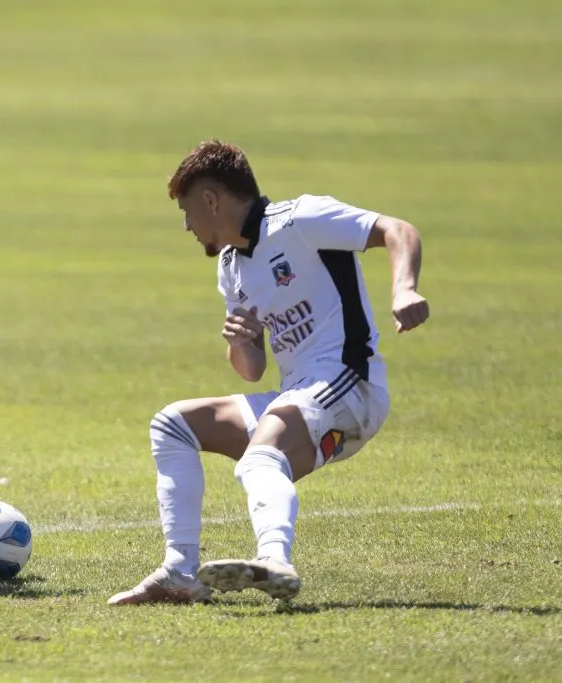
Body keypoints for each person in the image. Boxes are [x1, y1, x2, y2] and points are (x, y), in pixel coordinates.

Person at [108, 140, 429, 605]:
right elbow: (252, 371)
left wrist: (404, 290)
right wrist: (241, 343)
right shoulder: (230, 265)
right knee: (173, 424)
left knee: (260, 456)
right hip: (298, 394)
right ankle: (180, 572)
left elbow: (398, 230)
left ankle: (274, 559)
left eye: (186, 209)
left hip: (350, 385)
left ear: (212, 200)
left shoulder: (302, 220)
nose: (186, 225)